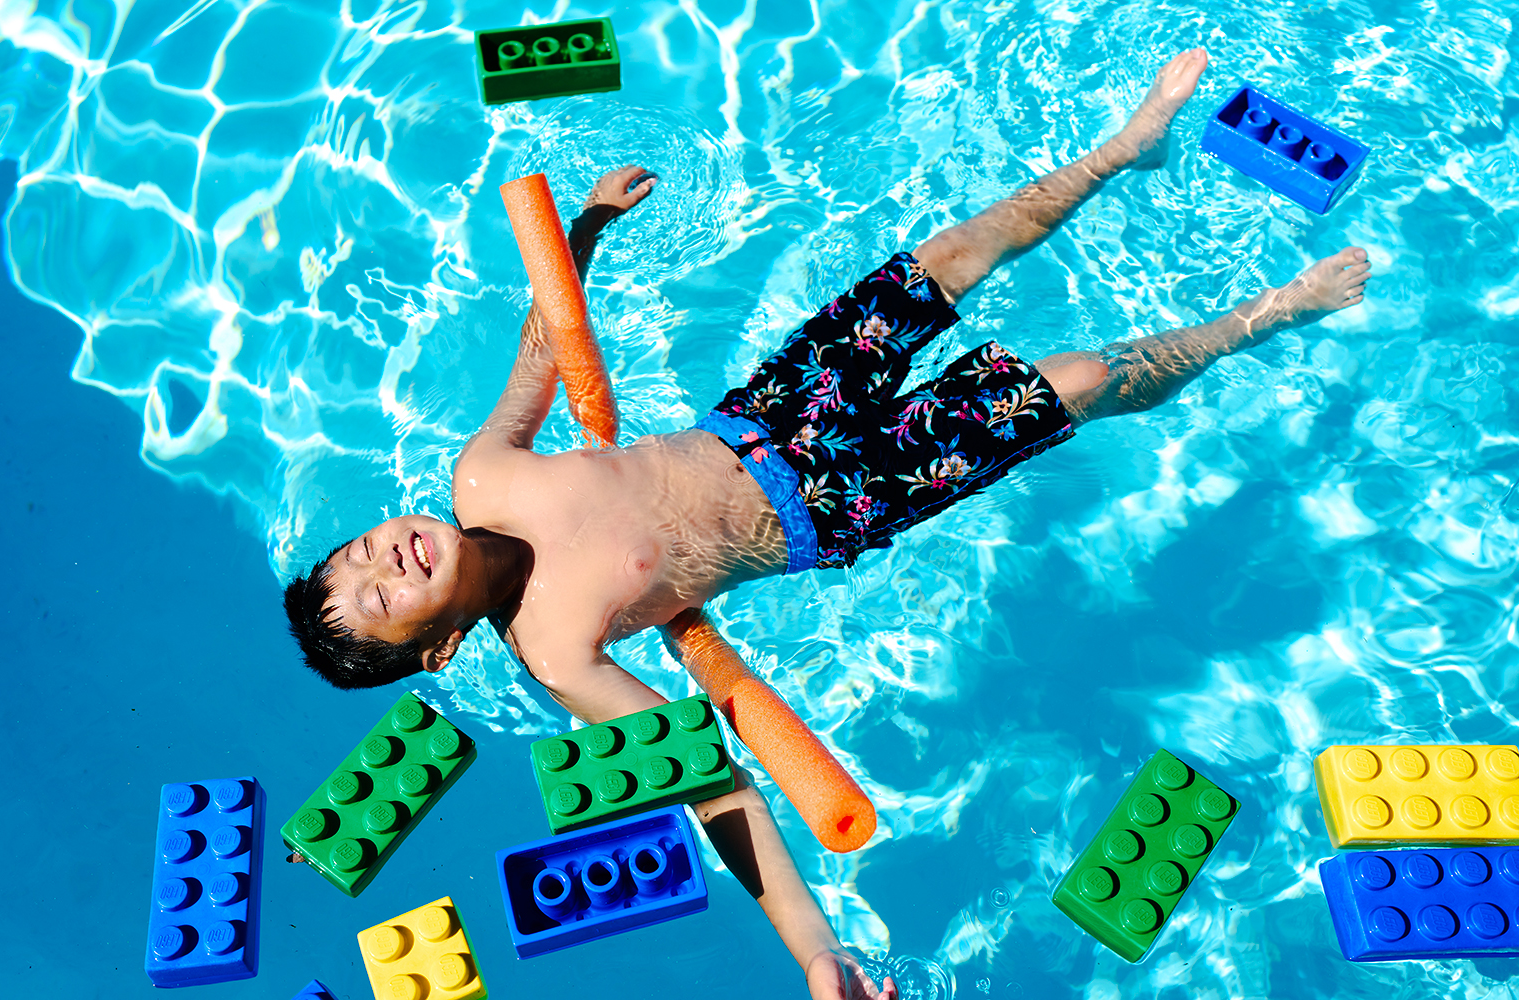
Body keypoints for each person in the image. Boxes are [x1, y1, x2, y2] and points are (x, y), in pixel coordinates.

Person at [284, 48, 1368, 1000]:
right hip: (833, 501)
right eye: (382, 596)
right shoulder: (558, 649)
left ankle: (1121, 149)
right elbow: (714, 785)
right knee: (1075, 379)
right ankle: (1264, 317)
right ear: (435, 646)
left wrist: (588, 228)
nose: (387, 557)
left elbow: (545, 350)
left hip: (767, 410)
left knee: (950, 258)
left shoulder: (484, 476)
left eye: (361, 552)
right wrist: (814, 949)